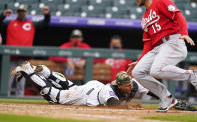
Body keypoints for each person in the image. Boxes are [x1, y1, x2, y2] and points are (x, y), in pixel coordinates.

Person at [127, 0, 197, 112]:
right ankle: (167, 98)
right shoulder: (145, 17)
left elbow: (179, 16)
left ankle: (192, 75)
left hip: (173, 41)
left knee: (156, 70)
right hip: (157, 47)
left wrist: (185, 33)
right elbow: (148, 43)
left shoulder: (161, 2)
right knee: (138, 72)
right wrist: (140, 60)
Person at [10, 61, 150, 107]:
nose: (131, 87)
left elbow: (149, 89)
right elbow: (114, 103)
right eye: (127, 85)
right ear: (119, 85)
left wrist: (166, 97)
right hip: (85, 94)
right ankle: (28, 69)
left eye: (130, 84)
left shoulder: (134, 84)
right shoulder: (108, 91)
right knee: (54, 96)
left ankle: (45, 72)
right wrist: (130, 106)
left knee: (70, 85)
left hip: (93, 87)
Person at [0, 5, 50, 97]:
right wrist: (3, 16)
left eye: (23, 11)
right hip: (11, 57)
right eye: (20, 11)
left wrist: (47, 15)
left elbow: (44, 24)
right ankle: (5, 98)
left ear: (26, 12)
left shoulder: (31, 24)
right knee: (8, 81)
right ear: (17, 12)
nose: (21, 13)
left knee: (21, 82)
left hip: (24, 59)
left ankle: (19, 100)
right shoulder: (10, 23)